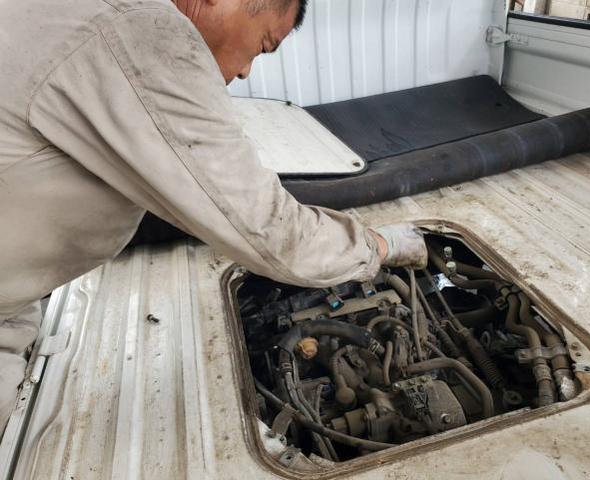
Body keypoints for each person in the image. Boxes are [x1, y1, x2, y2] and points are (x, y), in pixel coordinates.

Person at [0, 0, 427, 434]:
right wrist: (379, 245)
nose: (245, 73)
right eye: (263, 46)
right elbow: (269, 231)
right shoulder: (141, 28)